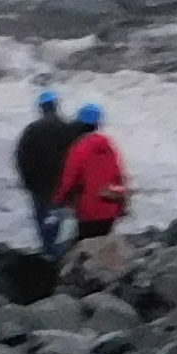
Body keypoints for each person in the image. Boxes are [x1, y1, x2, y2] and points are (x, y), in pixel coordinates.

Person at [58, 100, 131, 248]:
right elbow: (119, 175)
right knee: (103, 243)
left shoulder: (80, 148)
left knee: (84, 247)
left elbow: (70, 179)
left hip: (88, 209)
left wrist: (59, 199)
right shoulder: (108, 145)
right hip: (110, 206)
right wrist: (123, 204)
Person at [13, 89, 75, 253]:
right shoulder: (68, 129)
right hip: (61, 180)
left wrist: (26, 179)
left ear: (41, 108)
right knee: (58, 215)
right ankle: (57, 248)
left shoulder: (32, 130)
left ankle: (47, 248)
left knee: (41, 215)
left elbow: (21, 157)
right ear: (56, 106)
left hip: (38, 181)